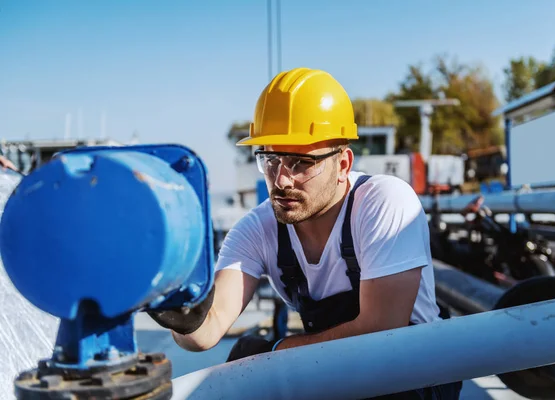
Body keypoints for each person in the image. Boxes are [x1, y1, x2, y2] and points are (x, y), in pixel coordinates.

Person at [148, 67, 462, 399]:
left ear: (342, 164)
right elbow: (205, 331)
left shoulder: (384, 202)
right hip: (332, 370)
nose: (281, 180)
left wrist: (276, 352)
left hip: (413, 377)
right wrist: (172, 301)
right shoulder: (257, 230)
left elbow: (381, 330)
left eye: (300, 163)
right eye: (270, 160)